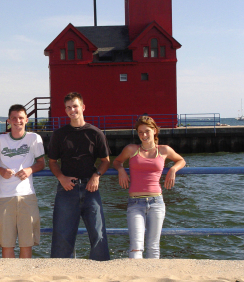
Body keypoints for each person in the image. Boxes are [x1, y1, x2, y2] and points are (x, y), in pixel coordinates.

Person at [48, 92, 110, 261]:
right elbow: (52, 162)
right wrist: (62, 178)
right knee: (62, 237)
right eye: (68, 107)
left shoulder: (96, 133)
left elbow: (105, 161)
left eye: (75, 106)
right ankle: (61, 274)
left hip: (91, 189)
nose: (72, 110)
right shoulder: (59, 134)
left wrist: (96, 176)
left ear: (83, 107)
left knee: (98, 235)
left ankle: (102, 272)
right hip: (67, 189)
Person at [113, 115, 186, 259]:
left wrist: (172, 170)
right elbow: (116, 161)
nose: (144, 135)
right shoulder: (132, 149)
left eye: (147, 131)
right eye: (140, 132)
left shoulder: (164, 150)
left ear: (154, 131)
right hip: (135, 203)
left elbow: (181, 160)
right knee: (136, 248)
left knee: (153, 246)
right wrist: (121, 170)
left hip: (156, 203)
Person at [0, 104, 45, 258]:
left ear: (26, 120)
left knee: (26, 243)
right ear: (9, 120)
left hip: (27, 196)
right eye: (14, 118)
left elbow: (42, 163)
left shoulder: (34, 138)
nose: (17, 121)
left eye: (21, 118)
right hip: (4, 197)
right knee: (6, 243)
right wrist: (1, 170)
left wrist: (30, 169)